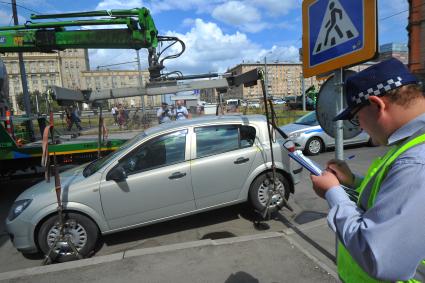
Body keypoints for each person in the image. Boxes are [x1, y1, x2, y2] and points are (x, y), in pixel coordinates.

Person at [310, 58, 425, 282]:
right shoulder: (411, 145)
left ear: (376, 104)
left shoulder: (416, 162)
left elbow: (377, 258)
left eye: (355, 117)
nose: (359, 126)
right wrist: (352, 180)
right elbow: (393, 196)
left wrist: (333, 193)